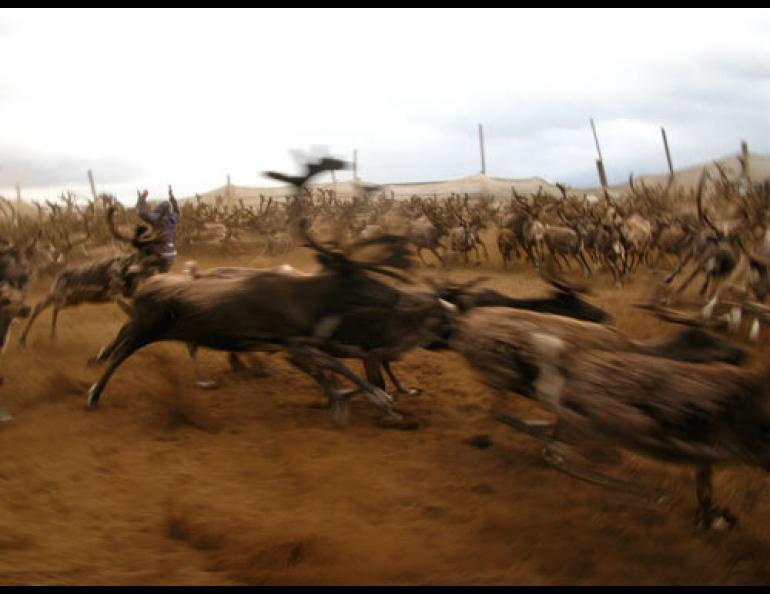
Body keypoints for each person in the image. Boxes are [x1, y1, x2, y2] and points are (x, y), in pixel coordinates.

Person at [136, 186, 180, 272]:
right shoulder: (174, 218)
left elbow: (142, 213)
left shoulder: (156, 218)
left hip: (161, 254)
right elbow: (177, 210)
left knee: (144, 250)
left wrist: (142, 198)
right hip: (173, 253)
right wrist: (172, 197)